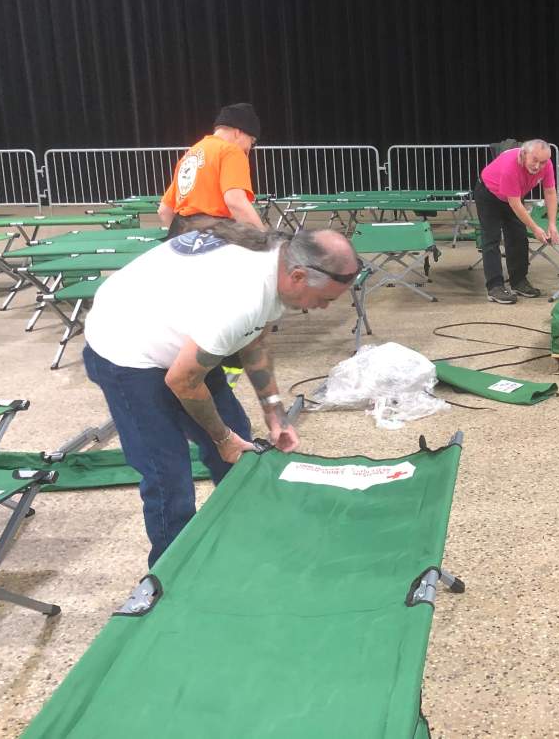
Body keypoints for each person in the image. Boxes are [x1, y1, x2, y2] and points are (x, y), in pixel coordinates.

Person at [82, 224, 360, 566]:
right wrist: (222, 438)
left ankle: (250, 538)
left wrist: (274, 411)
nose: (326, 308)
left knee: (239, 445)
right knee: (168, 475)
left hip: (180, 339)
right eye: (325, 299)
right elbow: (183, 381)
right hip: (126, 351)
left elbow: (254, 338)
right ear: (299, 276)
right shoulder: (242, 297)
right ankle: (172, 575)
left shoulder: (278, 261)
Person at [158, 103, 265, 237]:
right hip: (214, 234)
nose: (249, 149)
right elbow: (235, 202)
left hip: (180, 234)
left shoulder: (190, 154)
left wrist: (184, 238)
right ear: (238, 132)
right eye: (252, 141)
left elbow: (164, 211)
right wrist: (264, 238)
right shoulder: (231, 151)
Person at [474, 138, 559, 304]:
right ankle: (495, 287)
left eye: (543, 162)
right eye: (535, 160)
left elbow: (550, 192)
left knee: (519, 236)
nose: (538, 166)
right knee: (491, 239)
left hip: (513, 195)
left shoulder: (547, 165)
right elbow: (515, 204)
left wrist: (552, 224)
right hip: (488, 195)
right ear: (524, 153)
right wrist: (535, 228)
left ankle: (519, 281)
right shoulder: (511, 166)